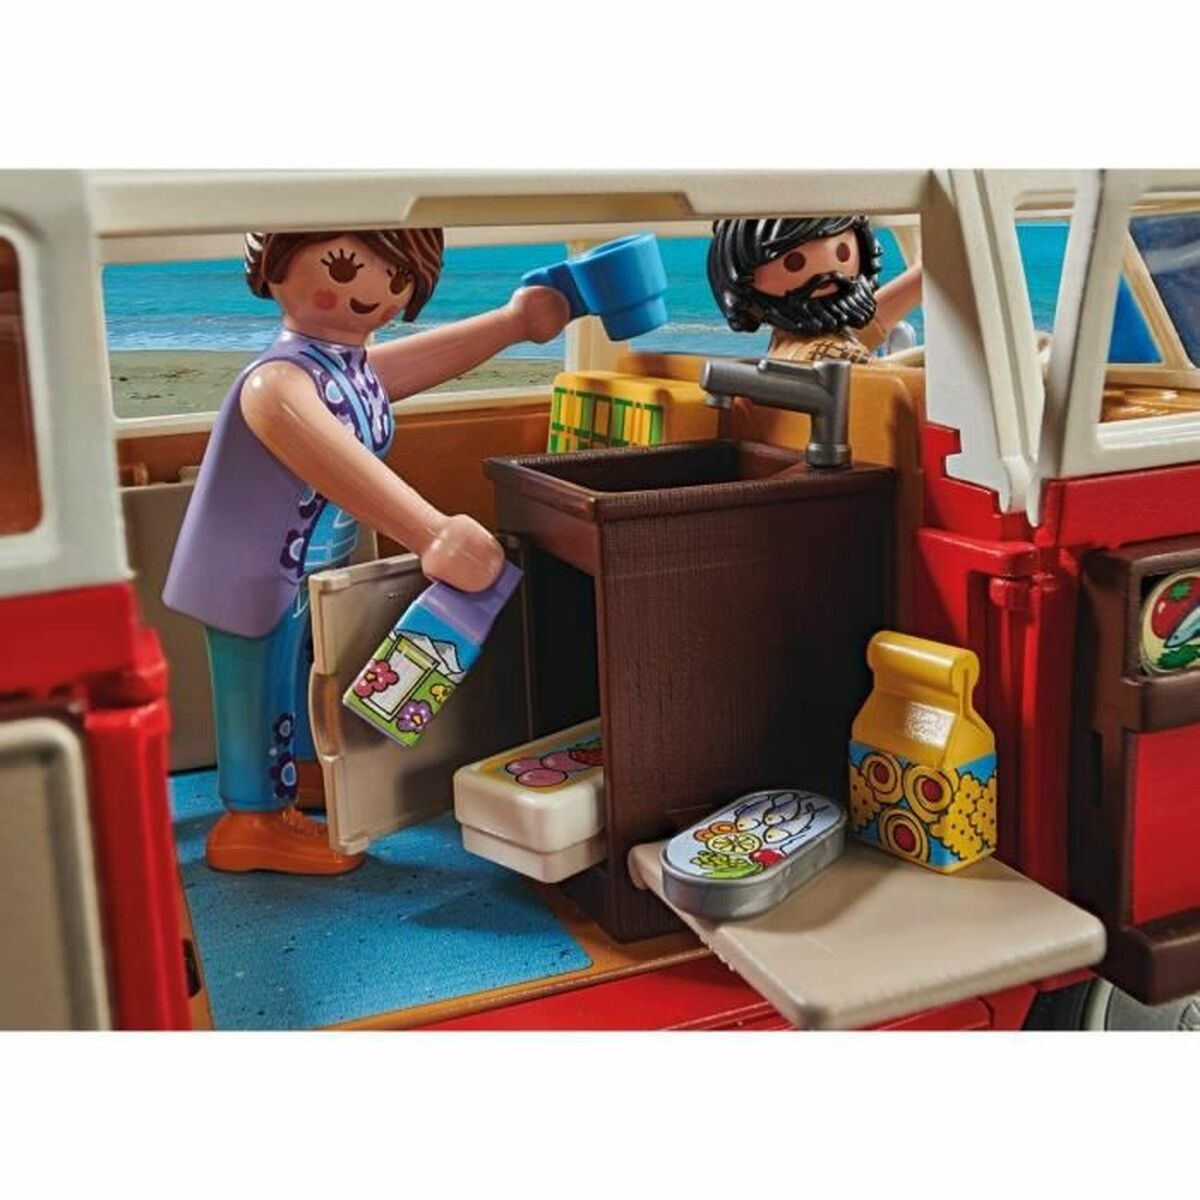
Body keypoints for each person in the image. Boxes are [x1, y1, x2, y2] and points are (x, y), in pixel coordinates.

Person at [164, 228, 571, 875]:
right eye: (344, 266)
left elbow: (415, 364)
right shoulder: (277, 386)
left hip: (309, 567)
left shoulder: (342, 369)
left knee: (306, 675)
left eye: (398, 276)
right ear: (273, 266)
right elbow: (339, 463)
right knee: (257, 687)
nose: (374, 290)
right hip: (248, 573)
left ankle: (295, 775)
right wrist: (431, 533)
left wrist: (513, 323)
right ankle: (250, 821)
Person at [706, 215, 922, 364]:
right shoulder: (828, 357)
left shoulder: (791, 342)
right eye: (794, 263)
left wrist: (919, 277)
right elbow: (899, 386)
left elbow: (859, 330)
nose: (828, 275)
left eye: (843, 252)